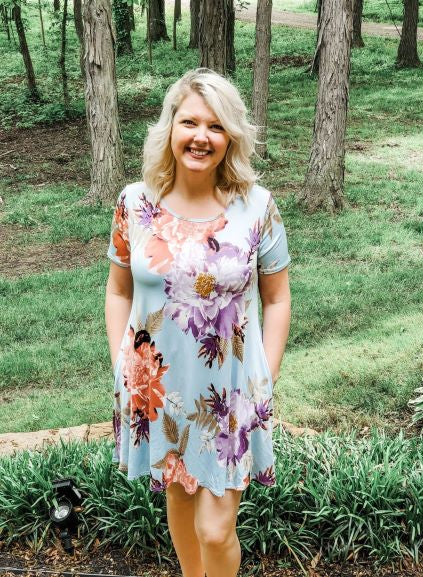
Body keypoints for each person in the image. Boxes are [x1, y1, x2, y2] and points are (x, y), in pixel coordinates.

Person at [105, 68, 291, 577]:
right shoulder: (133, 204)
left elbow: (277, 300)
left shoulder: (257, 208)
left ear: (230, 135)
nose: (201, 137)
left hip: (230, 392)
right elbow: (119, 289)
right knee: (181, 503)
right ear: (170, 128)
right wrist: (123, 362)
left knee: (216, 528)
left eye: (215, 126)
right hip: (159, 387)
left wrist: (264, 379)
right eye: (190, 122)